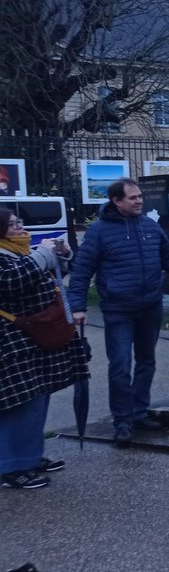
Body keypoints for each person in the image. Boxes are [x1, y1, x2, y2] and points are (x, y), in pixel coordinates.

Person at [66, 178, 169, 447]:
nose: (139, 200)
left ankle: (139, 413)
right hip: (118, 309)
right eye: (133, 197)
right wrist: (77, 307)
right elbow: (81, 271)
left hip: (150, 306)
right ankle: (122, 421)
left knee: (146, 361)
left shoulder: (150, 226)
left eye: (139, 197)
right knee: (121, 365)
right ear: (116, 201)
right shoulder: (99, 231)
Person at [0, 209, 89, 488]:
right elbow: (11, 283)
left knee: (37, 399)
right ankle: (11, 467)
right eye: (12, 224)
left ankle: (30, 456)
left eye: (19, 222)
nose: (19, 227)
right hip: (10, 341)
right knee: (20, 404)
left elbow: (47, 277)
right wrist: (42, 257)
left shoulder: (22, 251)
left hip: (34, 338)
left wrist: (60, 255)